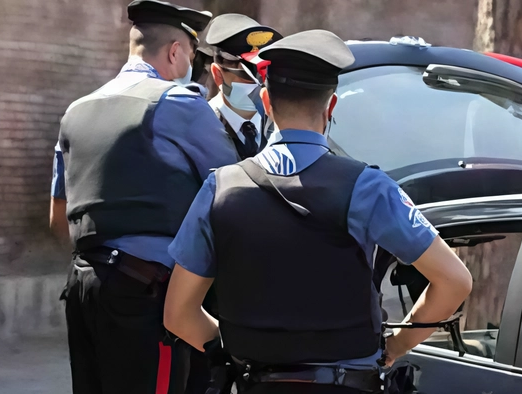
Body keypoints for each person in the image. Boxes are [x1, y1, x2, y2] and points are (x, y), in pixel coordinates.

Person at [163, 29, 473, 394]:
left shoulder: (219, 189)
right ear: (331, 106)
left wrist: (233, 350)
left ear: (265, 100)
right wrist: (392, 349)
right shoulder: (367, 188)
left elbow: (178, 314)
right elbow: (455, 281)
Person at [52, 1, 238, 393]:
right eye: (190, 54)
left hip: (83, 289)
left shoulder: (75, 111)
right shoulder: (179, 102)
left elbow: (58, 218)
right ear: (175, 51)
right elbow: (234, 191)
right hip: (148, 297)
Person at [205, 14, 283, 160]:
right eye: (248, 76)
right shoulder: (202, 126)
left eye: (265, 74)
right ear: (218, 75)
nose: (259, 84)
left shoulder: (280, 125)